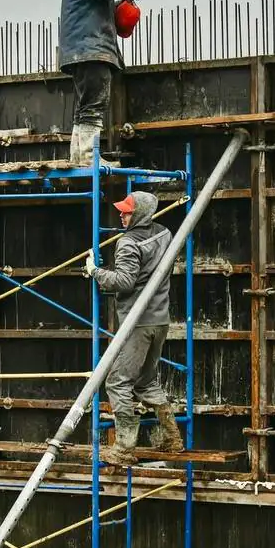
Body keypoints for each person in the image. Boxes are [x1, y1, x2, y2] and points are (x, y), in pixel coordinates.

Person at [84, 191, 183, 466]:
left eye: (127, 211)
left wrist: (95, 272)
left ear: (139, 213)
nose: (121, 215)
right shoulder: (164, 233)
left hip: (137, 322)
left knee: (117, 382)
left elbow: (125, 282)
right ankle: (172, 439)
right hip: (159, 319)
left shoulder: (128, 242)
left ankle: (124, 447)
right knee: (146, 381)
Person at [58, 0, 143, 164]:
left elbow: (98, 0)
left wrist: (121, 4)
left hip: (81, 51)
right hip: (91, 50)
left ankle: (79, 157)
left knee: (84, 108)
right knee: (94, 106)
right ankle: (88, 158)